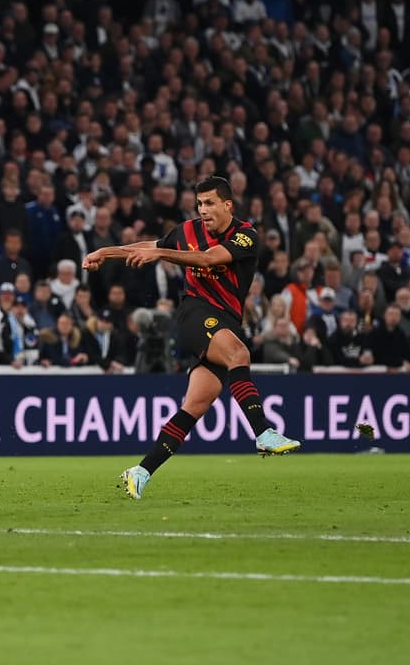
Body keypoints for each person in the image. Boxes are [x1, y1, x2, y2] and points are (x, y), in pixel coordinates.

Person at [83, 176, 300, 500]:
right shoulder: (186, 231)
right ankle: (263, 432)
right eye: (199, 204)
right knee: (239, 354)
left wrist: (162, 254)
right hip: (195, 314)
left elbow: (209, 258)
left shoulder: (245, 235)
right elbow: (148, 246)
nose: (203, 210)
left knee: (196, 404)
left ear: (228, 205)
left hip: (225, 321)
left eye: (210, 203)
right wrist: (105, 251)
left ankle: (141, 471)